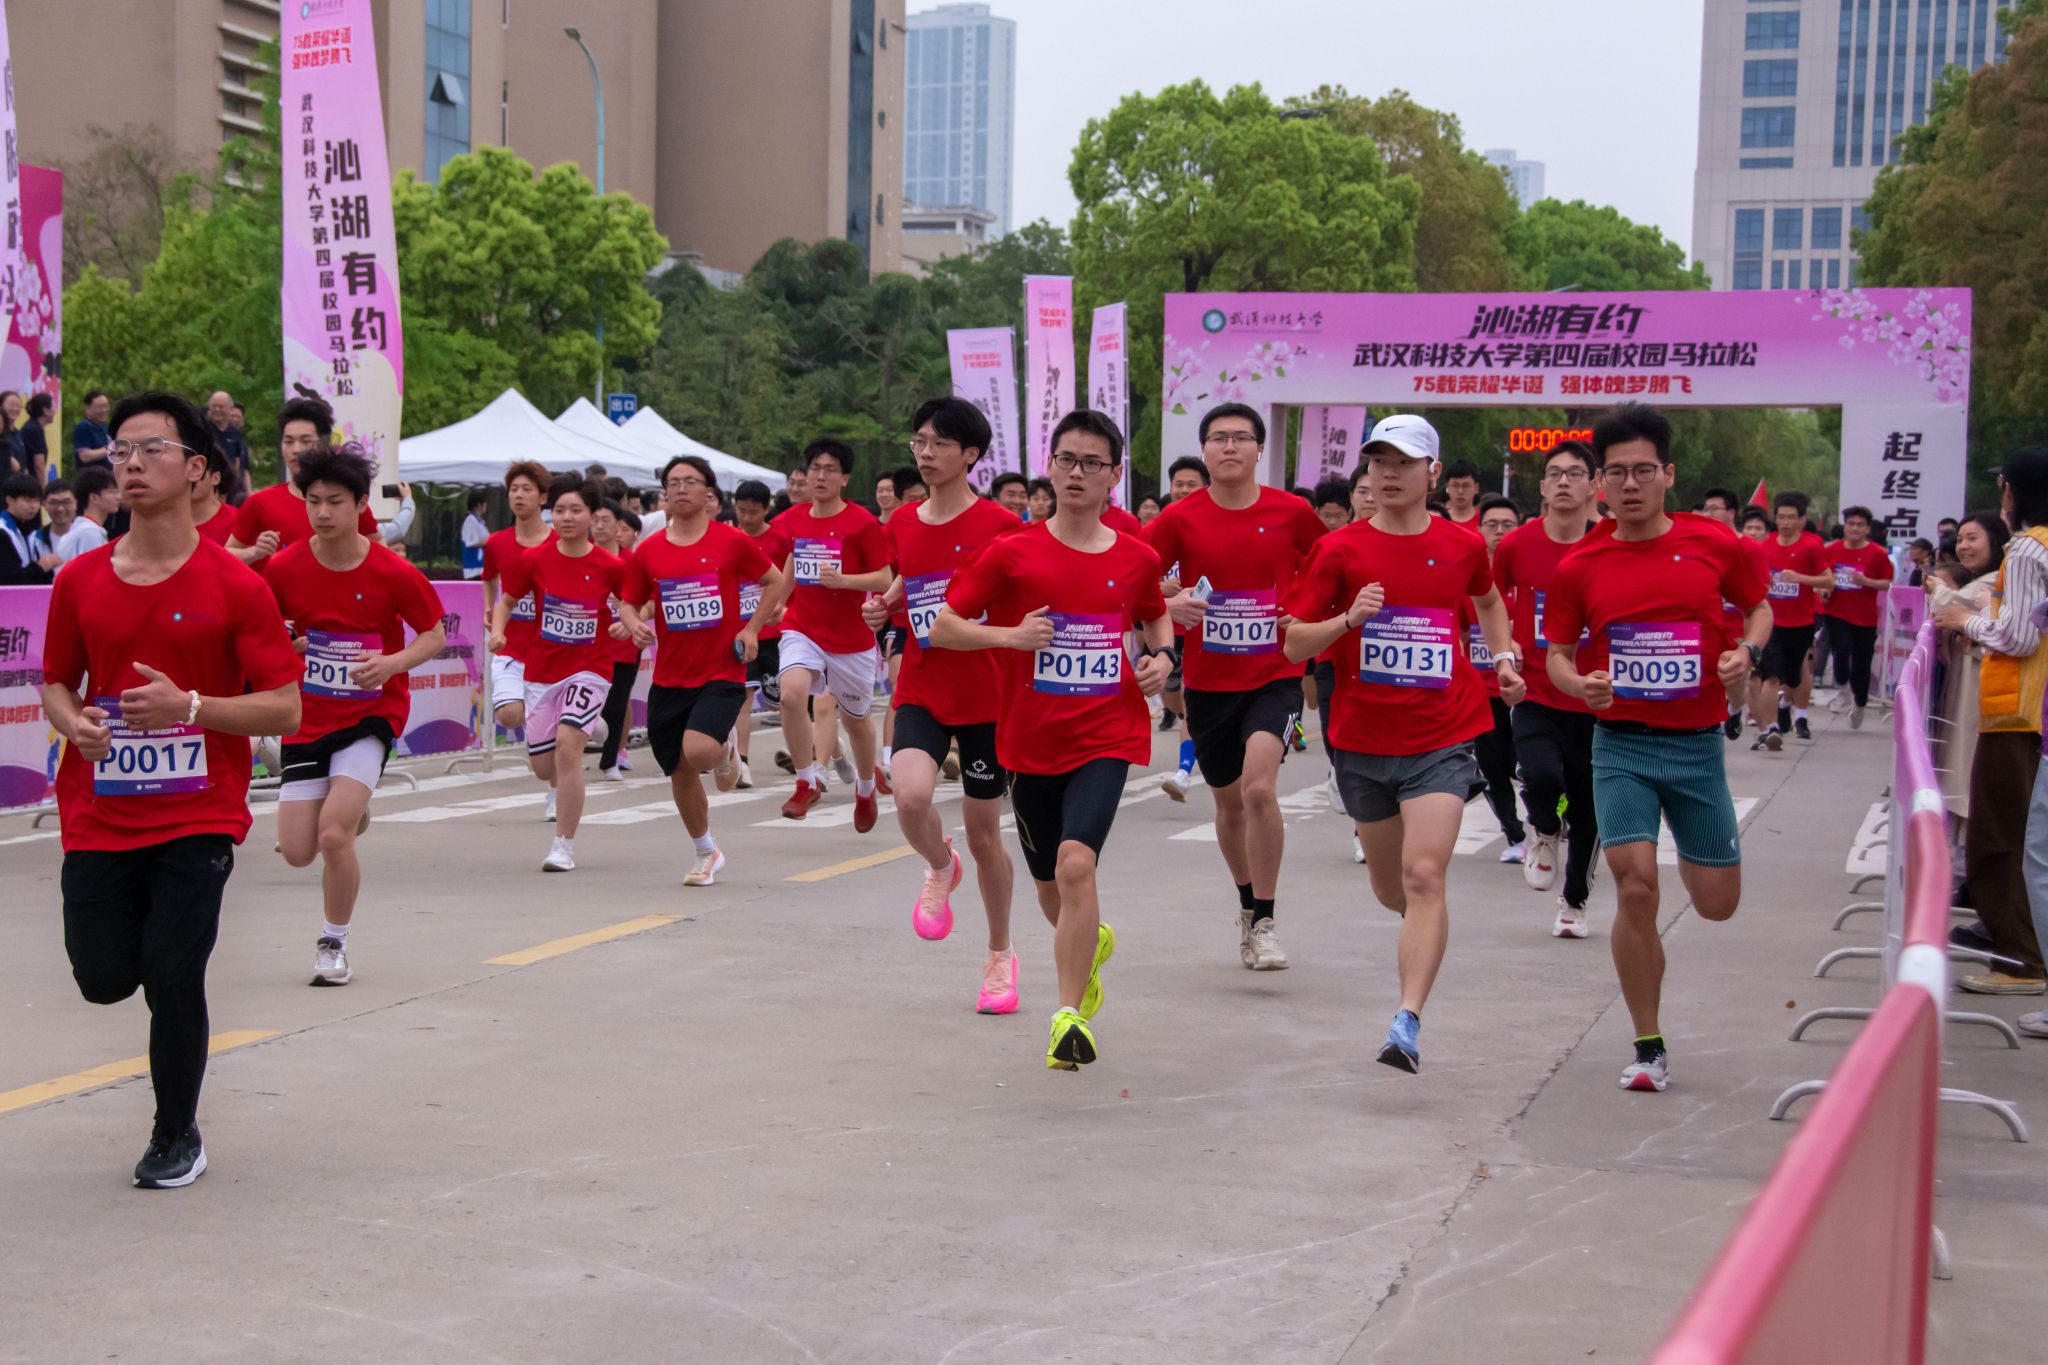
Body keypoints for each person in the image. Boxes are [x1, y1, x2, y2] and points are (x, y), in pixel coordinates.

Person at [39, 390, 302, 1187]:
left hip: (198, 812)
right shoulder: (79, 579)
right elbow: (56, 681)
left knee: (173, 971)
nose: (130, 462)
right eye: (119, 449)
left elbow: (284, 706)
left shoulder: (237, 585)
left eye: (151, 448)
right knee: (103, 977)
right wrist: (75, 722)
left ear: (196, 468)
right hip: (100, 812)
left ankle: (175, 1134)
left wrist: (190, 707)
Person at [933, 408, 1172, 1070]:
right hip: (1029, 740)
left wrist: (1162, 658)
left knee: (1075, 865)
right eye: (1066, 459)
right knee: (1050, 888)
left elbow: (1154, 617)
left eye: (1092, 463)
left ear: (1114, 476)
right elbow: (945, 626)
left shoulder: (1138, 557)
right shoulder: (1012, 551)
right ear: (1050, 465)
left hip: (1107, 734)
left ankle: (1068, 1015)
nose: (1076, 472)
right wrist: (1010, 637)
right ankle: (1089, 941)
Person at [1541, 404, 1770, 1093]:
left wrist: (1746, 651)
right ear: (1600, 484)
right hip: (1621, 745)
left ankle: (1695, 885)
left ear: (1668, 474)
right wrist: (1580, 685)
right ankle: (1648, 1044)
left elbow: (1758, 608)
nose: (1630, 484)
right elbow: (1557, 655)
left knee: (1718, 903)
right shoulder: (1581, 563)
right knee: (1635, 885)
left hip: (1696, 747)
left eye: (1644, 470)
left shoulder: (1714, 543)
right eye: (1617, 473)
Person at [1283, 414, 1522, 1074]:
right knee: (1394, 888)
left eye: (1404, 462)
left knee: (1424, 875)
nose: (1388, 473)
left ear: (1432, 473)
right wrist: (1347, 620)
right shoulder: (1339, 550)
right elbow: (1294, 642)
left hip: (1442, 734)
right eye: (1379, 461)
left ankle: (1406, 1020)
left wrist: (1503, 658)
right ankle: (1423, 924)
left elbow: (1489, 601)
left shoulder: (1462, 545)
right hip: (1362, 740)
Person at [1144, 400, 1327, 971]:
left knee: (1259, 790)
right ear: (1203, 449)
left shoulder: (1291, 511)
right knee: (1227, 802)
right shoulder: (1180, 517)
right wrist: (1172, 602)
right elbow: (1132, 576)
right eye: (1218, 437)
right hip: (1209, 681)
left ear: (1259, 448)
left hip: (1275, 674)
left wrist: (1304, 612)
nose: (1229, 446)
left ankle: (1266, 921)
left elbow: (1329, 566)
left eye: (1241, 437)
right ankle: (1247, 904)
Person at [860, 397, 1024, 1010]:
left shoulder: (1003, 526)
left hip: (987, 694)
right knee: (909, 797)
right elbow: (910, 575)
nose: (925, 454)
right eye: (919, 442)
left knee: (985, 837)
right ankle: (939, 864)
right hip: (923, 684)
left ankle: (1000, 955)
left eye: (939, 444)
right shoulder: (903, 522)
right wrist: (885, 604)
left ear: (970, 454)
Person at [266, 445, 445, 987]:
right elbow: (267, 631)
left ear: (362, 504)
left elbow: (434, 634)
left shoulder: (392, 569)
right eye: (313, 501)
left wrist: (391, 663)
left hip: (372, 712)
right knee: (298, 852)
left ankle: (333, 943)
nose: (323, 512)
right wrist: (288, 646)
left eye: (335, 502)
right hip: (308, 717)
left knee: (332, 836)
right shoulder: (285, 567)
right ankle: (350, 811)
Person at [618, 457, 786, 887]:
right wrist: (635, 624)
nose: (680, 488)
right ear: (664, 493)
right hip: (670, 677)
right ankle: (706, 851)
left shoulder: (731, 541)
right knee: (680, 770)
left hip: (721, 669)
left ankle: (725, 749)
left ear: (709, 491)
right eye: (673, 482)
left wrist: (752, 628)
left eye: (690, 481)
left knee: (698, 751)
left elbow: (774, 580)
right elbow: (628, 602)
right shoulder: (649, 550)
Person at [1936, 452, 2048, 995]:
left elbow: (2019, 637)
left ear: (2013, 491)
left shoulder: (2027, 549)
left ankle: (2022, 959)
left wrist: (1966, 620)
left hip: (2018, 712)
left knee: (1999, 840)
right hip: (2033, 710)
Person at [488, 476, 626, 872]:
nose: (566, 517)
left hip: (590, 668)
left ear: (592, 515)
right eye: (560, 510)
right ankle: (592, 725)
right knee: (544, 768)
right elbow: (507, 601)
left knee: (568, 749)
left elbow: (634, 602)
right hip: (542, 671)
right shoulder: (534, 560)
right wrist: (498, 631)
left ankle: (563, 846)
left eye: (575, 510)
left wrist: (628, 622)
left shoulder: (610, 565)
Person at [1495, 443, 1603, 935]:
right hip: (1536, 688)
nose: (1563, 481)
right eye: (1554, 473)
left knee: (1588, 804)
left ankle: (1574, 901)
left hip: (1597, 696)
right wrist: (1507, 642)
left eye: (1575, 473)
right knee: (1539, 776)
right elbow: (1489, 600)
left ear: (1593, 484)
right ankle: (1543, 827)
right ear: (1541, 485)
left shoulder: (1611, 543)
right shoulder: (1517, 545)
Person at [772, 438, 893, 826]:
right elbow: (793, 560)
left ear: (845, 478)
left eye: (830, 470)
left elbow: (884, 576)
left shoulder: (861, 523)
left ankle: (865, 788)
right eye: (815, 469)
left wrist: (844, 581)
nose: (820, 476)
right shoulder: (793, 519)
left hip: (851, 639)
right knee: (791, 694)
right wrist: (780, 600)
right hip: (802, 626)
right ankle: (806, 781)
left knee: (856, 721)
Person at [481, 461, 558, 815]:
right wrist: (489, 609)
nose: (519, 495)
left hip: (551, 649)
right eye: (514, 489)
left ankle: (557, 792)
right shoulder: (497, 542)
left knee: (551, 737)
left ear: (542, 497)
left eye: (527, 489)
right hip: (510, 645)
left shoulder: (560, 542)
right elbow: (489, 577)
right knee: (510, 715)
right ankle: (560, 720)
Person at [225, 397, 378, 572]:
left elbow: (377, 544)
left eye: (306, 441)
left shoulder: (346, 501)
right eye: (288, 441)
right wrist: (254, 552)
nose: (296, 450)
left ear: (325, 444)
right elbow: (226, 555)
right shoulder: (260, 502)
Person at [1470, 494, 1530, 866]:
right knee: (1492, 769)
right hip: (1481, 692)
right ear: (1479, 530)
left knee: (1529, 766)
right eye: (1492, 525)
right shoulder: (1468, 578)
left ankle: (1551, 816)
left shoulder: (1528, 579)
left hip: (1526, 692)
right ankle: (1515, 834)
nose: (1499, 531)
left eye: (1508, 524)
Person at [1752, 493, 1831, 750]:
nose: (1785, 522)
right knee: (1770, 675)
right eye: (1781, 517)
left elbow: (1828, 580)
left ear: (1801, 520)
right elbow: (1754, 579)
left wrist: (1800, 578)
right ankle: (1770, 729)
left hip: (1801, 622)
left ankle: (1790, 707)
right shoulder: (1765, 546)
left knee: (1795, 674)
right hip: (1771, 623)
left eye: (1790, 517)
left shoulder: (1811, 547)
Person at [1158, 455, 1212, 785]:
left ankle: (1183, 770)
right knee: (1170, 693)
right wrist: (1160, 590)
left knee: (1190, 702)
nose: (1184, 490)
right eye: (1178, 484)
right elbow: (1131, 580)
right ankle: (1192, 722)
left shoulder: (1214, 529)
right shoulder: (1158, 528)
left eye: (1192, 484)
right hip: (1164, 629)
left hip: (1201, 633)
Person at [731, 479, 788, 789]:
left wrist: (784, 605)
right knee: (744, 695)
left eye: (753, 512)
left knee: (785, 700)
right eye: (741, 511)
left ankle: (819, 746)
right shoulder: (730, 538)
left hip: (776, 634)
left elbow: (792, 578)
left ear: (766, 510)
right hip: (742, 632)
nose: (746, 518)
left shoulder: (781, 539)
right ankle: (741, 762)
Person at [1818, 506, 1895, 727]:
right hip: (1836, 611)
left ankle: (1859, 702)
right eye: (1851, 524)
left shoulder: (1878, 553)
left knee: (1862, 663)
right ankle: (1842, 688)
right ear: (1845, 526)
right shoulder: (1831, 550)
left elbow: (1887, 583)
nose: (1855, 528)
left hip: (1865, 617)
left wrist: (1865, 581)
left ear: (1867, 529)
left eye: (1860, 525)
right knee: (1841, 650)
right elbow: (1821, 577)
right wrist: (1823, 591)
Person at [590, 497, 647, 782]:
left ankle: (610, 760)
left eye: (606, 521)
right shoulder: (581, 556)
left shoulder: (631, 561)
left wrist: (632, 622)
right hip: (587, 644)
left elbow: (646, 599)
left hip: (624, 646)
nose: (600, 526)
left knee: (616, 704)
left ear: (618, 526)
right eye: (595, 520)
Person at [54, 464, 120, 562]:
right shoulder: (90, 533)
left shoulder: (83, 528)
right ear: (94, 498)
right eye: (112, 492)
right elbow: (93, 568)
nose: (118, 497)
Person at [1, 473, 57, 583]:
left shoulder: (31, 532)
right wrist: (41, 566)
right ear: (9, 500)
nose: (34, 506)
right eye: (27, 500)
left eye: (37, 500)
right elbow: (8, 579)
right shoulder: (3, 532)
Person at [206, 391, 250, 488]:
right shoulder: (203, 429)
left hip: (230, 485)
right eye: (214, 406)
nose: (217, 409)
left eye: (221, 407)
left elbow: (238, 461)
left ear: (230, 409)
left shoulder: (235, 433)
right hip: (209, 483)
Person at [70, 389, 114, 467]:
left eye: (106, 406)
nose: (104, 410)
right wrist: (111, 448)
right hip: (90, 473)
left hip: (107, 473)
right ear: (87, 408)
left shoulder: (106, 427)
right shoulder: (82, 427)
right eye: (100, 407)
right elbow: (84, 456)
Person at [20, 393, 53, 482]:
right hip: (29, 482)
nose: (55, 411)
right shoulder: (35, 429)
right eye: (53, 407)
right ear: (45, 410)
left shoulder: (34, 426)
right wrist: (42, 487)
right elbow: (38, 464)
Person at [460, 491, 490, 580]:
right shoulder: (470, 521)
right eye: (484, 503)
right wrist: (491, 540)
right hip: (474, 568)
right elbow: (471, 542)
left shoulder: (478, 522)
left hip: (481, 567)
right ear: (479, 505)